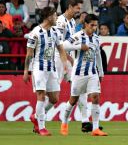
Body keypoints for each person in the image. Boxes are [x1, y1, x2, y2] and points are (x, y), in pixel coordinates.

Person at [60, 14, 107, 136]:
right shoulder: (78, 36)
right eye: (92, 25)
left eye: (96, 25)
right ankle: (64, 122)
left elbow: (98, 56)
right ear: (85, 24)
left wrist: (101, 72)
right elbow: (64, 45)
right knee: (73, 99)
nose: (94, 28)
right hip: (79, 73)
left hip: (92, 73)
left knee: (95, 97)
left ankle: (96, 128)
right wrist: (79, 46)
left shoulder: (96, 38)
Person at [23, 7, 67, 136]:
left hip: (51, 69)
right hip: (39, 69)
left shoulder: (56, 32)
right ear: (48, 17)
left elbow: (61, 49)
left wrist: (65, 65)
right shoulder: (35, 33)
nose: (57, 18)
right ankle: (41, 127)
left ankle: (36, 116)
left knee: (54, 99)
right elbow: (29, 54)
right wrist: (26, 71)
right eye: (55, 16)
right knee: (41, 96)